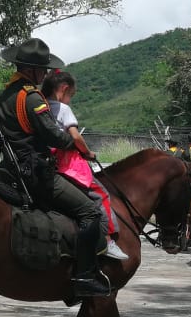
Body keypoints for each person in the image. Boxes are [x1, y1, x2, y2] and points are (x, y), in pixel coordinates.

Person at [0, 37, 108, 299]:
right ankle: (84, 276)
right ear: (32, 70)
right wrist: (77, 146)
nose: (45, 75)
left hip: (10, 169)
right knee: (90, 212)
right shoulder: (31, 97)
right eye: (43, 70)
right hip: (35, 173)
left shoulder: (6, 95)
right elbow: (53, 135)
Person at [40, 68, 129, 262]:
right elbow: (75, 136)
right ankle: (107, 240)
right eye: (71, 95)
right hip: (68, 165)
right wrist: (88, 152)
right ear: (63, 89)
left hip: (49, 163)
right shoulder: (63, 109)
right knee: (102, 195)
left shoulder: (41, 108)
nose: (69, 100)